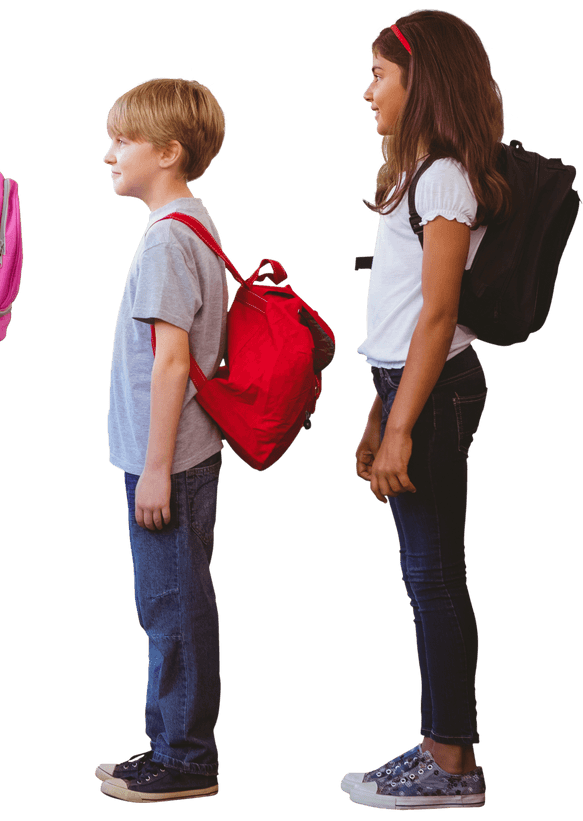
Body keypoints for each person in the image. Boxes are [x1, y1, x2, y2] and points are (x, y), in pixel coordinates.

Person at [340, 9, 509, 811]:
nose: (366, 90)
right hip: (408, 385)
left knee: (434, 575)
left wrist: (402, 422)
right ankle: (440, 747)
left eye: (379, 74)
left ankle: (449, 762)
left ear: (422, 82)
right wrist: (378, 415)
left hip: (434, 389)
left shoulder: (444, 176)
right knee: (425, 574)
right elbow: (401, 317)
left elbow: (438, 316)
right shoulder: (415, 176)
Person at [95, 77, 227, 804]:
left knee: (173, 606)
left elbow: (172, 360)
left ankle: (186, 758)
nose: (108, 155)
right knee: (165, 602)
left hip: (167, 463)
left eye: (122, 142)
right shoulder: (189, 224)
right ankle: (164, 740)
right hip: (174, 457)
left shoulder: (170, 239)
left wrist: (153, 469)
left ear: (169, 152)